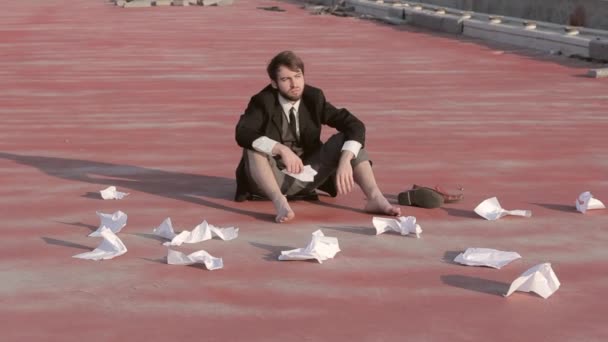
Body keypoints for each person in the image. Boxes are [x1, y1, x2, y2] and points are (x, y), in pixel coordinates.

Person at [234, 50, 401, 223]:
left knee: (349, 140)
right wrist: (280, 149)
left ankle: (374, 197)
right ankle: (280, 202)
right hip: (271, 179)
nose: (294, 84)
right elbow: (242, 132)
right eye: (285, 79)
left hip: (307, 175)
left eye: (298, 76)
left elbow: (354, 125)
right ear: (274, 84)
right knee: (253, 147)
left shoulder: (314, 98)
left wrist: (345, 160)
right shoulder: (262, 101)